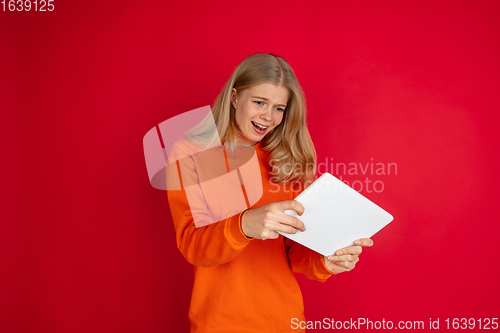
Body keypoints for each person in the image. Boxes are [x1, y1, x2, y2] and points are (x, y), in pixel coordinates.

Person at [166, 52, 374, 333]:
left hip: (284, 321)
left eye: (279, 108)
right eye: (259, 102)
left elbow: (293, 253)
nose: (268, 116)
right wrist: (245, 224)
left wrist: (326, 259)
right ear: (235, 97)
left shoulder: (286, 160)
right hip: (218, 323)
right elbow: (192, 245)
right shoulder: (189, 153)